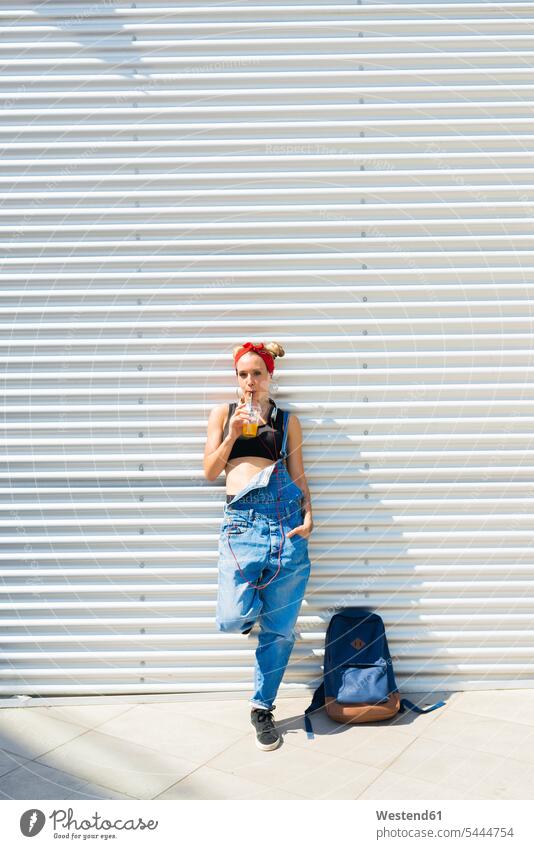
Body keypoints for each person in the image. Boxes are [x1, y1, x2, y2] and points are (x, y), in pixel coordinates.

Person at [203, 341, 314, 751]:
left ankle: (262, 709)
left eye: (258, 374)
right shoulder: (223, 415)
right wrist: (232, 435)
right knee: (233, 618)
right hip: (242, 524)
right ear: (236, 379)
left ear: (270, 377)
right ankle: (253, 616)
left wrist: (309, 515)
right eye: (242, 375)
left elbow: (298, 474)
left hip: (285, 523)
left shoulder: (287, 421)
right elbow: (209, 471)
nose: (250, 382)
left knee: (281, 631)